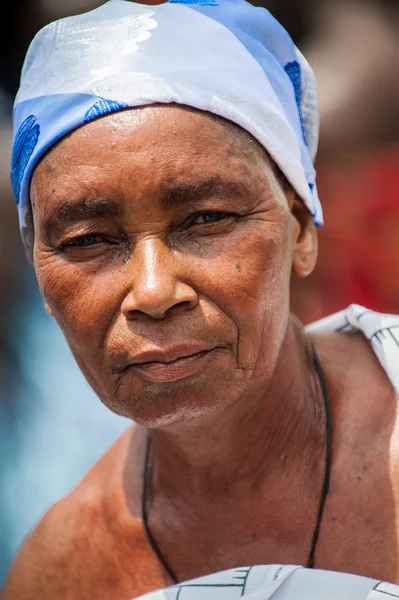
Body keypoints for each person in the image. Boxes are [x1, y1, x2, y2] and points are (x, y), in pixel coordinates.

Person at [2, 0, 399, 599]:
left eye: (207, 218)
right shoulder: (66, 575)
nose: (155, 291)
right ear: (40, 278)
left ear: (301, 228)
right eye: (88, 241)